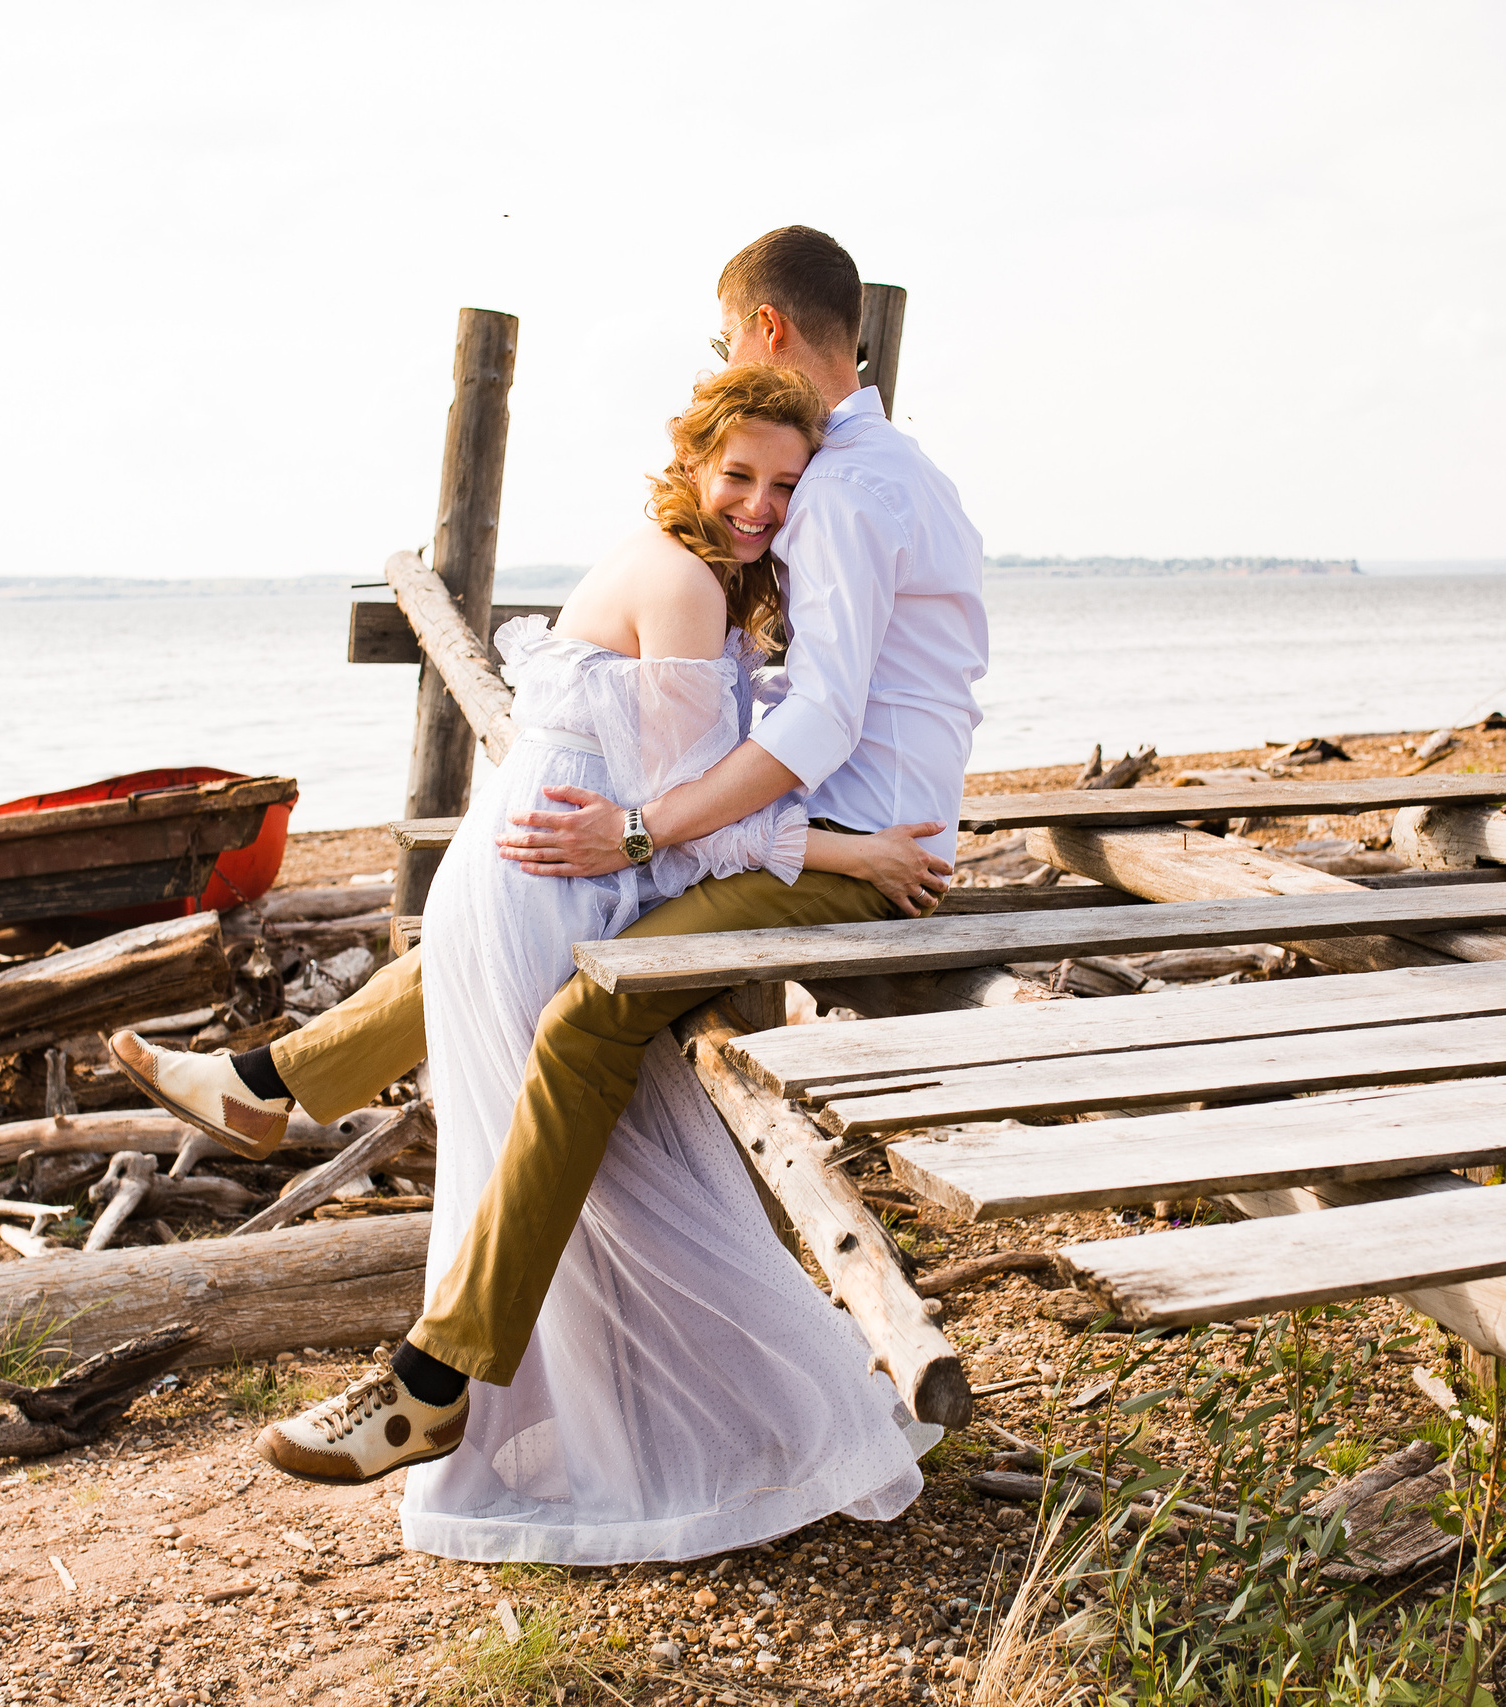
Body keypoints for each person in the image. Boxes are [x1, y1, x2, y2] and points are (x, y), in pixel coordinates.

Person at [112, 227, 990, 1555]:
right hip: (830, 825)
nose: (760, 498)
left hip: (859, 841)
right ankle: (277, 1081)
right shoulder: (877, 472)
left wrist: (642, 830)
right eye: (741, 477)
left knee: (584, 1010)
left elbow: (817, 722)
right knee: (524, 925)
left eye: (723, 340)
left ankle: (435, 1373)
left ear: (762, 330)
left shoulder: (849, 491)